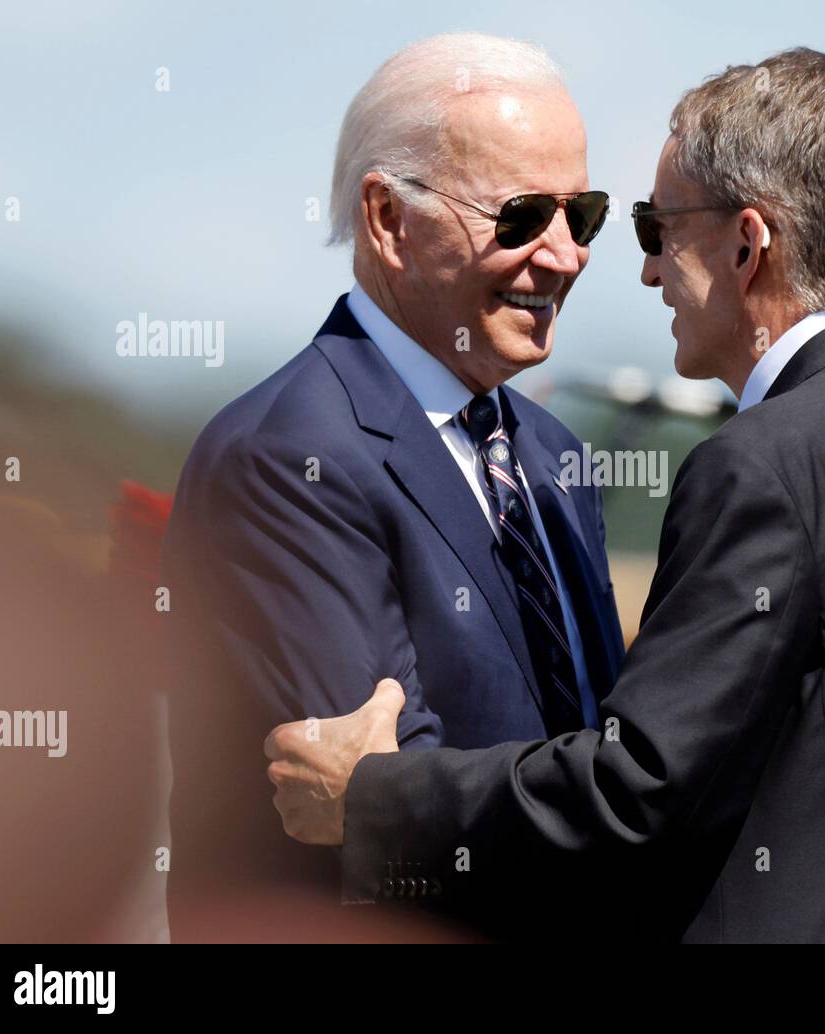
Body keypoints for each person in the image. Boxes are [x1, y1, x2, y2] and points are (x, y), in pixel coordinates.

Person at [266, 47, 825, 943]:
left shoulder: (761, 464)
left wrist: (373, 801)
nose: (643, 272)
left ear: (747, 245)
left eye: (654, 229)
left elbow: (640, 788)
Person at [164, 33, 622, 940]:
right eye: (523, 215)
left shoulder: (552, 454)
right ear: (386, 218)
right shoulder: (288, 459)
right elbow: (388, 821)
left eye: (586, 214)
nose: (565, 256)